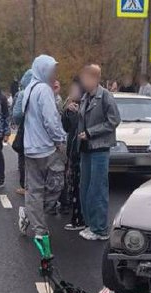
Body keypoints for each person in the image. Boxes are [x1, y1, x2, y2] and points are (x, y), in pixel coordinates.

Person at [17, 55, 68, 239]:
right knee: (56, 185)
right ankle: (38, 227)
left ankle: (34, 221)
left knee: (36, 190)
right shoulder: (43, 90)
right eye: (52, 70)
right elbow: (51, 121)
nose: (54, 73)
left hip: (31, 149)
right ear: (43, 70)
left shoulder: (29, 88)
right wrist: (61, 140)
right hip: (46, 148)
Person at [76, 64, 121, 241]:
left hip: (100, 148)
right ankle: (90, 224)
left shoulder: (105, 97)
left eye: (85, 78)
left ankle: (100, 228)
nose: (83, 82)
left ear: (95, 78)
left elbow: (114, 120)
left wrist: (91, 132)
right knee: (85, 187)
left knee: (98, 188)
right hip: (86, 148)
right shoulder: (86, 97)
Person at [60, 77, 86, 230]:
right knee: (73, 183)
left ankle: (80, 219)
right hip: (72, 149)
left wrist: (76, 114)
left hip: (82, 151)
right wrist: (67, 112)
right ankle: (76, 217)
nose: (71, 92)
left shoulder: (86, 105)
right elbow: (66, 127)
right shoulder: (71, 106)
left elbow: (82, 126)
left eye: (74, 89)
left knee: (80, 185)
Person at [12, 69, 34, 195]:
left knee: (23, 157)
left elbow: (16, 115)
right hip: (40, 136)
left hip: (26, 131)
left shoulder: (23, 94)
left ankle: (24, 186)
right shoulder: (44, 91)